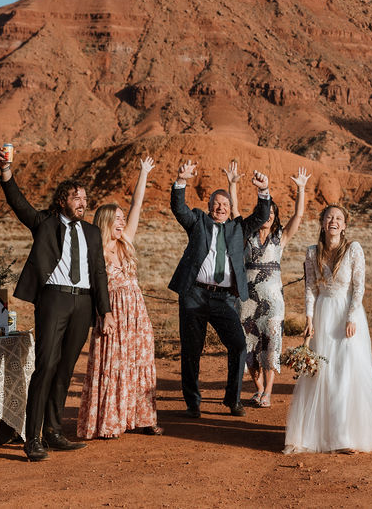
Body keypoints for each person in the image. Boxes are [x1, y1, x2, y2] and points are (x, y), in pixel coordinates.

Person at [0, 148, 115, 462]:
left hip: (84, 303)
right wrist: (6, 172)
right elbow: (19, 204)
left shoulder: (91, 233)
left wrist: (106, 311)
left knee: (65, 369)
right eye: (77, 198)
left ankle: (53, 431)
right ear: (63, 200)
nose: (83, 203)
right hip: (54, 300)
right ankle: (32, 437)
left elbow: (99, 271)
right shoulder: (45, 222)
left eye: (85, 199)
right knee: (46, 365)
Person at [283, 205, 372, 453]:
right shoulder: (312, 253)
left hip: (346, 316)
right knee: (323, 374)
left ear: (344, 226)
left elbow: (359, 286)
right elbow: (310, 287)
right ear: (322, 223)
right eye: (329, 217)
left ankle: (343, 436)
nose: (333, 221)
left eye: (339, 218)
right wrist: (309, 318)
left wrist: (352, 316)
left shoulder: (354, 249)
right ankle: (319, 433)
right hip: (323, 314)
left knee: (345, 372)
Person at [168, 159, 271, 417]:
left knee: (238, 345)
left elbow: (261, 215)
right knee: (192, 349)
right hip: (195, 293)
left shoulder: (238, 228)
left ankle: (232, 400)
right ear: (209, 207)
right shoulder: (198, 222)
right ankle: (193, 403)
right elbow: (179, 208)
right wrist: (181, 182)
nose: (221, 208)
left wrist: (264, 191)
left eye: (225, 205)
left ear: (229, 208)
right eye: (216, 204)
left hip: (224, 299)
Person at [77, 156, 162, 439]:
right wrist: (104, 313)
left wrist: (143, 173)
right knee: (112, 364)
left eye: (122, 219)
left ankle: (142, 417)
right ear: (105, 221)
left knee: (140, 362)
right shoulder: (97, 251)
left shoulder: (126, 243)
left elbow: (137, 204)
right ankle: (110, 421)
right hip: (112, 313)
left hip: (137, 312)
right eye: (117, 219)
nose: (122, 223)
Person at [224, 161, 311, 408]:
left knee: (272, 344)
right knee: (249, 344)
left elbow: (299, 216)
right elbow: (234, 211)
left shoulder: (280, 239)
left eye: (272, 214)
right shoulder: (246, 235)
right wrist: (232, 184)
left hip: (273, 301)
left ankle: (268, 392)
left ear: (275, 218)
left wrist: (301, 189)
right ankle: (258, 388)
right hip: (247, 299)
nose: (268, 216)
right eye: (265, 212)